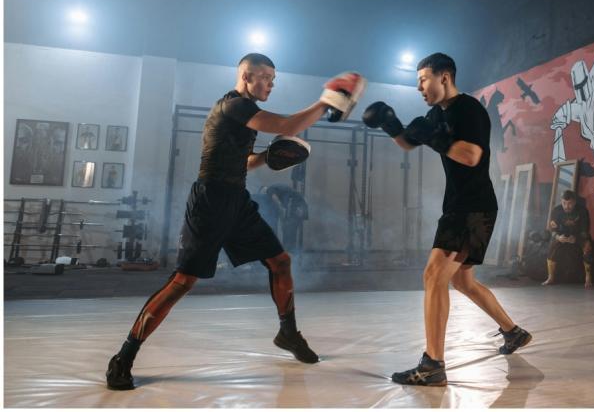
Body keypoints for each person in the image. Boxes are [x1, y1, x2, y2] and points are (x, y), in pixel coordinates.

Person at [105, 53, 365, 390]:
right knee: (183, 281)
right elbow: (287, 126)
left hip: (237, 200)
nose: (271, 84)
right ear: (246, 76)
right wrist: (326, 100)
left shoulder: (244, 113)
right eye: (266, 78)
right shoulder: (234, 105)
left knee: (281, 261)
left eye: (273, 79)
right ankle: (124, 356)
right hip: (210, 202)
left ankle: (288, 333)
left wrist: (268, 157)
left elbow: (244, 162)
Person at [363, 52, 531, 387]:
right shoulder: (435, 114)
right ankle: (513, 332)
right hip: (461, 206)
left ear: (444, 76)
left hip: (472, 207)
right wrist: (390, 124)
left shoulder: (469, 109)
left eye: (423, 79)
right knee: (463, 282)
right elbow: (409, 143)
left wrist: (434, 137)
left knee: (433, 275)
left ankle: (433, 366)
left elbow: (471, 156)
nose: (419, 87)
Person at [541, 190, 592, 288]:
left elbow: (585, 230)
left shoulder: (582, 211)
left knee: (587, 246)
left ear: (574, 202)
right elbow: (552, 229)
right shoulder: (556, 210)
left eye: (569, 203)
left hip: (578, 235)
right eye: (564, 203)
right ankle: (550, 277)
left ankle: (588, 277)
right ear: (561, 201)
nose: (566, 206)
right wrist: (558, 237)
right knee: (552, 246)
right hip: (562, 235)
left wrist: (576, 238)